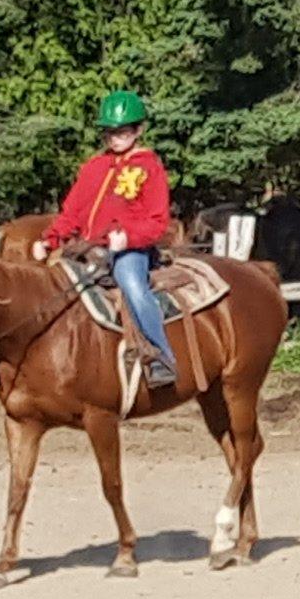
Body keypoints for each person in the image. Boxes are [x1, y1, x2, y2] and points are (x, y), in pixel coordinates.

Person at [48, 91, 190, 402]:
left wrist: (128, 237)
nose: (116, 138)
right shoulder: (94, 167)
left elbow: (157, 221)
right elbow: (72, 210)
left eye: (123, 131)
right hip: (88, 247)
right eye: (111, 132)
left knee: (132, 285)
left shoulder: (149, 167)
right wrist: (50, 239)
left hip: (130, 250)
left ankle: (161, 355)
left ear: (138, 130)